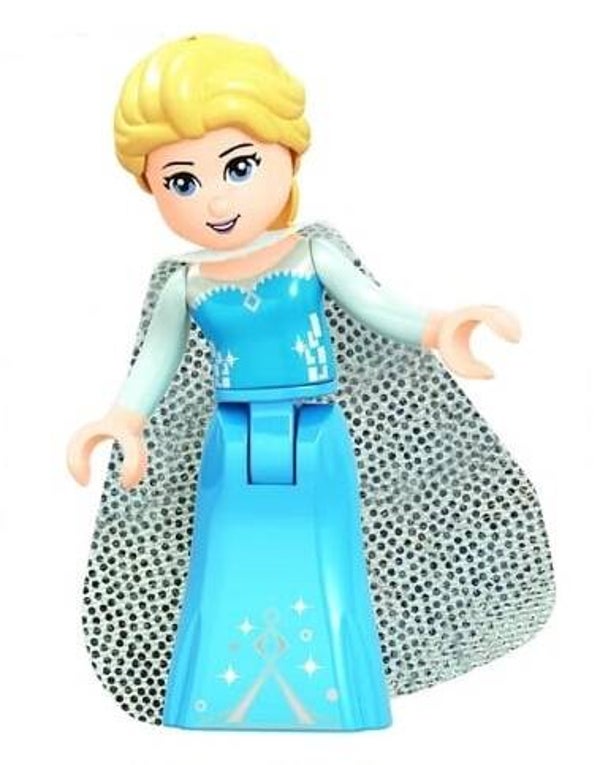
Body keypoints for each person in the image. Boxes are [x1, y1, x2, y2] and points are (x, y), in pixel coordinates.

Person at [67, 34, 547, 732]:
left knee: (325, 558)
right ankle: (216, 701)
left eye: (238, 166)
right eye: (181, 182)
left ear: (287, 157)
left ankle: (334, 697)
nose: (214, 199)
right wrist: (122, 418)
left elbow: (377, 306)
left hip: (315, 431)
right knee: (225, 562)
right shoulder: (184, 284)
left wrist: (439, 326)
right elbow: (154, 361)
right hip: (229, 440)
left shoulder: (311, 253)